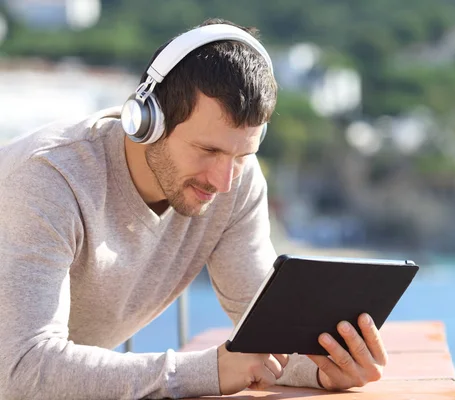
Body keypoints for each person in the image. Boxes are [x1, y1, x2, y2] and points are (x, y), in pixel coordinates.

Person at [0, 18, 387, 399]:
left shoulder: (238, 181)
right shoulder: (47, 180)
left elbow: (268, 338)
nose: (222, 181)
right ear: (146, 121)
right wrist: (207, 371)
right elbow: (22, 368)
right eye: (208, 150)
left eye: (242, 154)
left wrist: (328, 369)